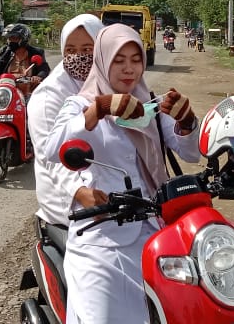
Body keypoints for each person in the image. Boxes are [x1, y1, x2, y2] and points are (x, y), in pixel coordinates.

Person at [43, 23, 201, 324]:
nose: (129, 69)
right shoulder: (80, 104)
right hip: (100, 236)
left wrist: (187, 120)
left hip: (155, 230)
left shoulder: (150, 104)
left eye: (136, 59)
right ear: (103, 61)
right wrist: (99, 109)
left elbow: (191, 153)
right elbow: (52, 149)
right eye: (119, 60)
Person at [26, 14, 105, 228]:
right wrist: (80, 192)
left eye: (88, 49)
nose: (79, 56)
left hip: (108, 191)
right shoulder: (48, 97)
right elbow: (49, 156)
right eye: (70, 50)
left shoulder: (110, 79)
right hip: (68, 204)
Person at [0, 23, 51, 96]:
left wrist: (38, 77)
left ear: (24, 38)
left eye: (14, 38)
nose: (10, 41)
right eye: (9, 38)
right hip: (6, 93)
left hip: (29, 93)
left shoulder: (36, 52)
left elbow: (44, 69)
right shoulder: (5, 51)